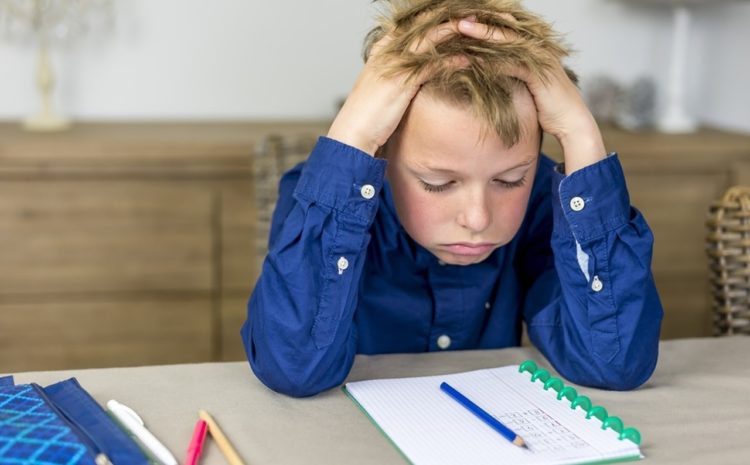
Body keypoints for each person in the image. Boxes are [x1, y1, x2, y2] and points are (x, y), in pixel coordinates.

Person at [241, 0, 663, 397]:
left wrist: (581, 133)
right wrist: (354, 131)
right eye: (438, 183)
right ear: (382, 150)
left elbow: (615, 364)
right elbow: (293, 368)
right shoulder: (321, 201)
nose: (478, 219)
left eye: (510, 179)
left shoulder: (545, 206)